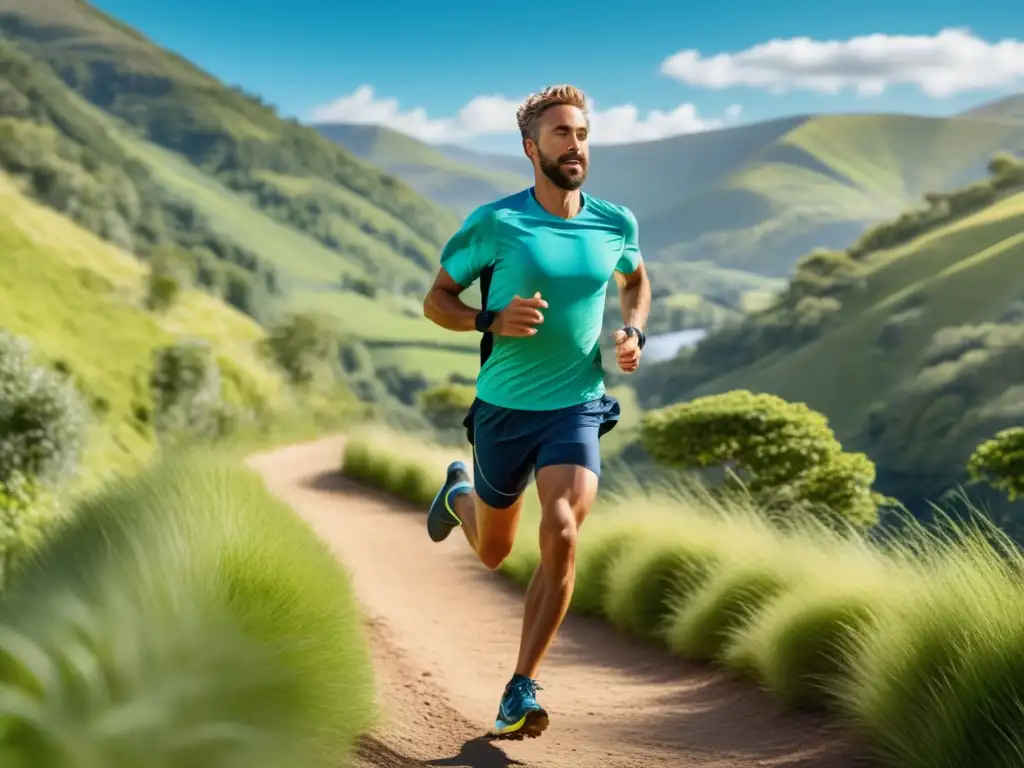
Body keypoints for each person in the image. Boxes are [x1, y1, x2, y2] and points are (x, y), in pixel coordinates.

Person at [421, 84, 651, 740]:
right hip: (502, 410)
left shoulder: (615, 222)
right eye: (560, 135)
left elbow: (636, 280)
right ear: (531, 148)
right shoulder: (496, 224)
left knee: (563, 528)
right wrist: (488, 318)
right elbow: (436, 299)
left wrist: (634, 332)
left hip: (573, 407)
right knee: (493, 552)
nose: (574, 145)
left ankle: (520, 685)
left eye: (581, 133)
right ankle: (460, 493)